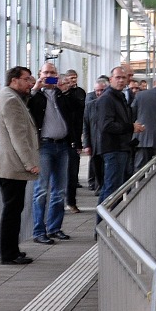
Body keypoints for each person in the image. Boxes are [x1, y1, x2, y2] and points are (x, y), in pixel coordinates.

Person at [0, 66, 40, 265]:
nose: (31, 82)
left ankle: (12, 251)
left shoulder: (4, 95)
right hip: (12, 165)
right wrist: (30, 163)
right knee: (12, 210)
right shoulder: (11, 101)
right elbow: (18, 136)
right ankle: (9, 254)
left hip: (5, 163)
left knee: (12, 209)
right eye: (27, 79)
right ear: (14, 80)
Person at [27, 62, 80, 244]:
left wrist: (65, 90)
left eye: (53, 73)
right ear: (40, 74)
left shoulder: (61, 94)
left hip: (63, 146)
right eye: (46, 73)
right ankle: (38, 231)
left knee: (59, 191)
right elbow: (25, 107)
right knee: (41, 190)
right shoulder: (35, 95)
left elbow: (78, 108)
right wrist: (35, 89)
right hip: (44, 147)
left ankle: (54, 227)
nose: (49, 76)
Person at [94, 65, 145, 220]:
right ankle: (102, 225)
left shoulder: (119, 97)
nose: (121, 80)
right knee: (111, 189)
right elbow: (106, 125)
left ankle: (107, 224)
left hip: (121, 148)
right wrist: (130, 127)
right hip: (113, 149)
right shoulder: (107, 99)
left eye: (124, 78)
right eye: (118, 77)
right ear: (111, 80)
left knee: (114, 188)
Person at [62, 70, 86, 213]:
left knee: (72, 174)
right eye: (68, 80)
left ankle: (71, 201)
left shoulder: (79, 94)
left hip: (73, 138)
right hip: (60, 140)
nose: (71, 82)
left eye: (73, 79)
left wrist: (79, 143)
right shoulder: (59, 96)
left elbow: (80, 111)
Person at [83, 75, 109, 193]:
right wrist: (86, 144)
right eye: (97, 90)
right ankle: (99, 186)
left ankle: (105, 189)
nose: (99, 93)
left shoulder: (111, 104)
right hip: (95, 144)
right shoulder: (90, 106)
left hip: (109, 144)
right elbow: (86, 126)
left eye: (101, 90)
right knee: (97, 168)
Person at [132, 78, 156, 171]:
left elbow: (132, 114)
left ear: (155, 82)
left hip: (143, 137)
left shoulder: (141, 95)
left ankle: (138, 185)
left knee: (140, 169)